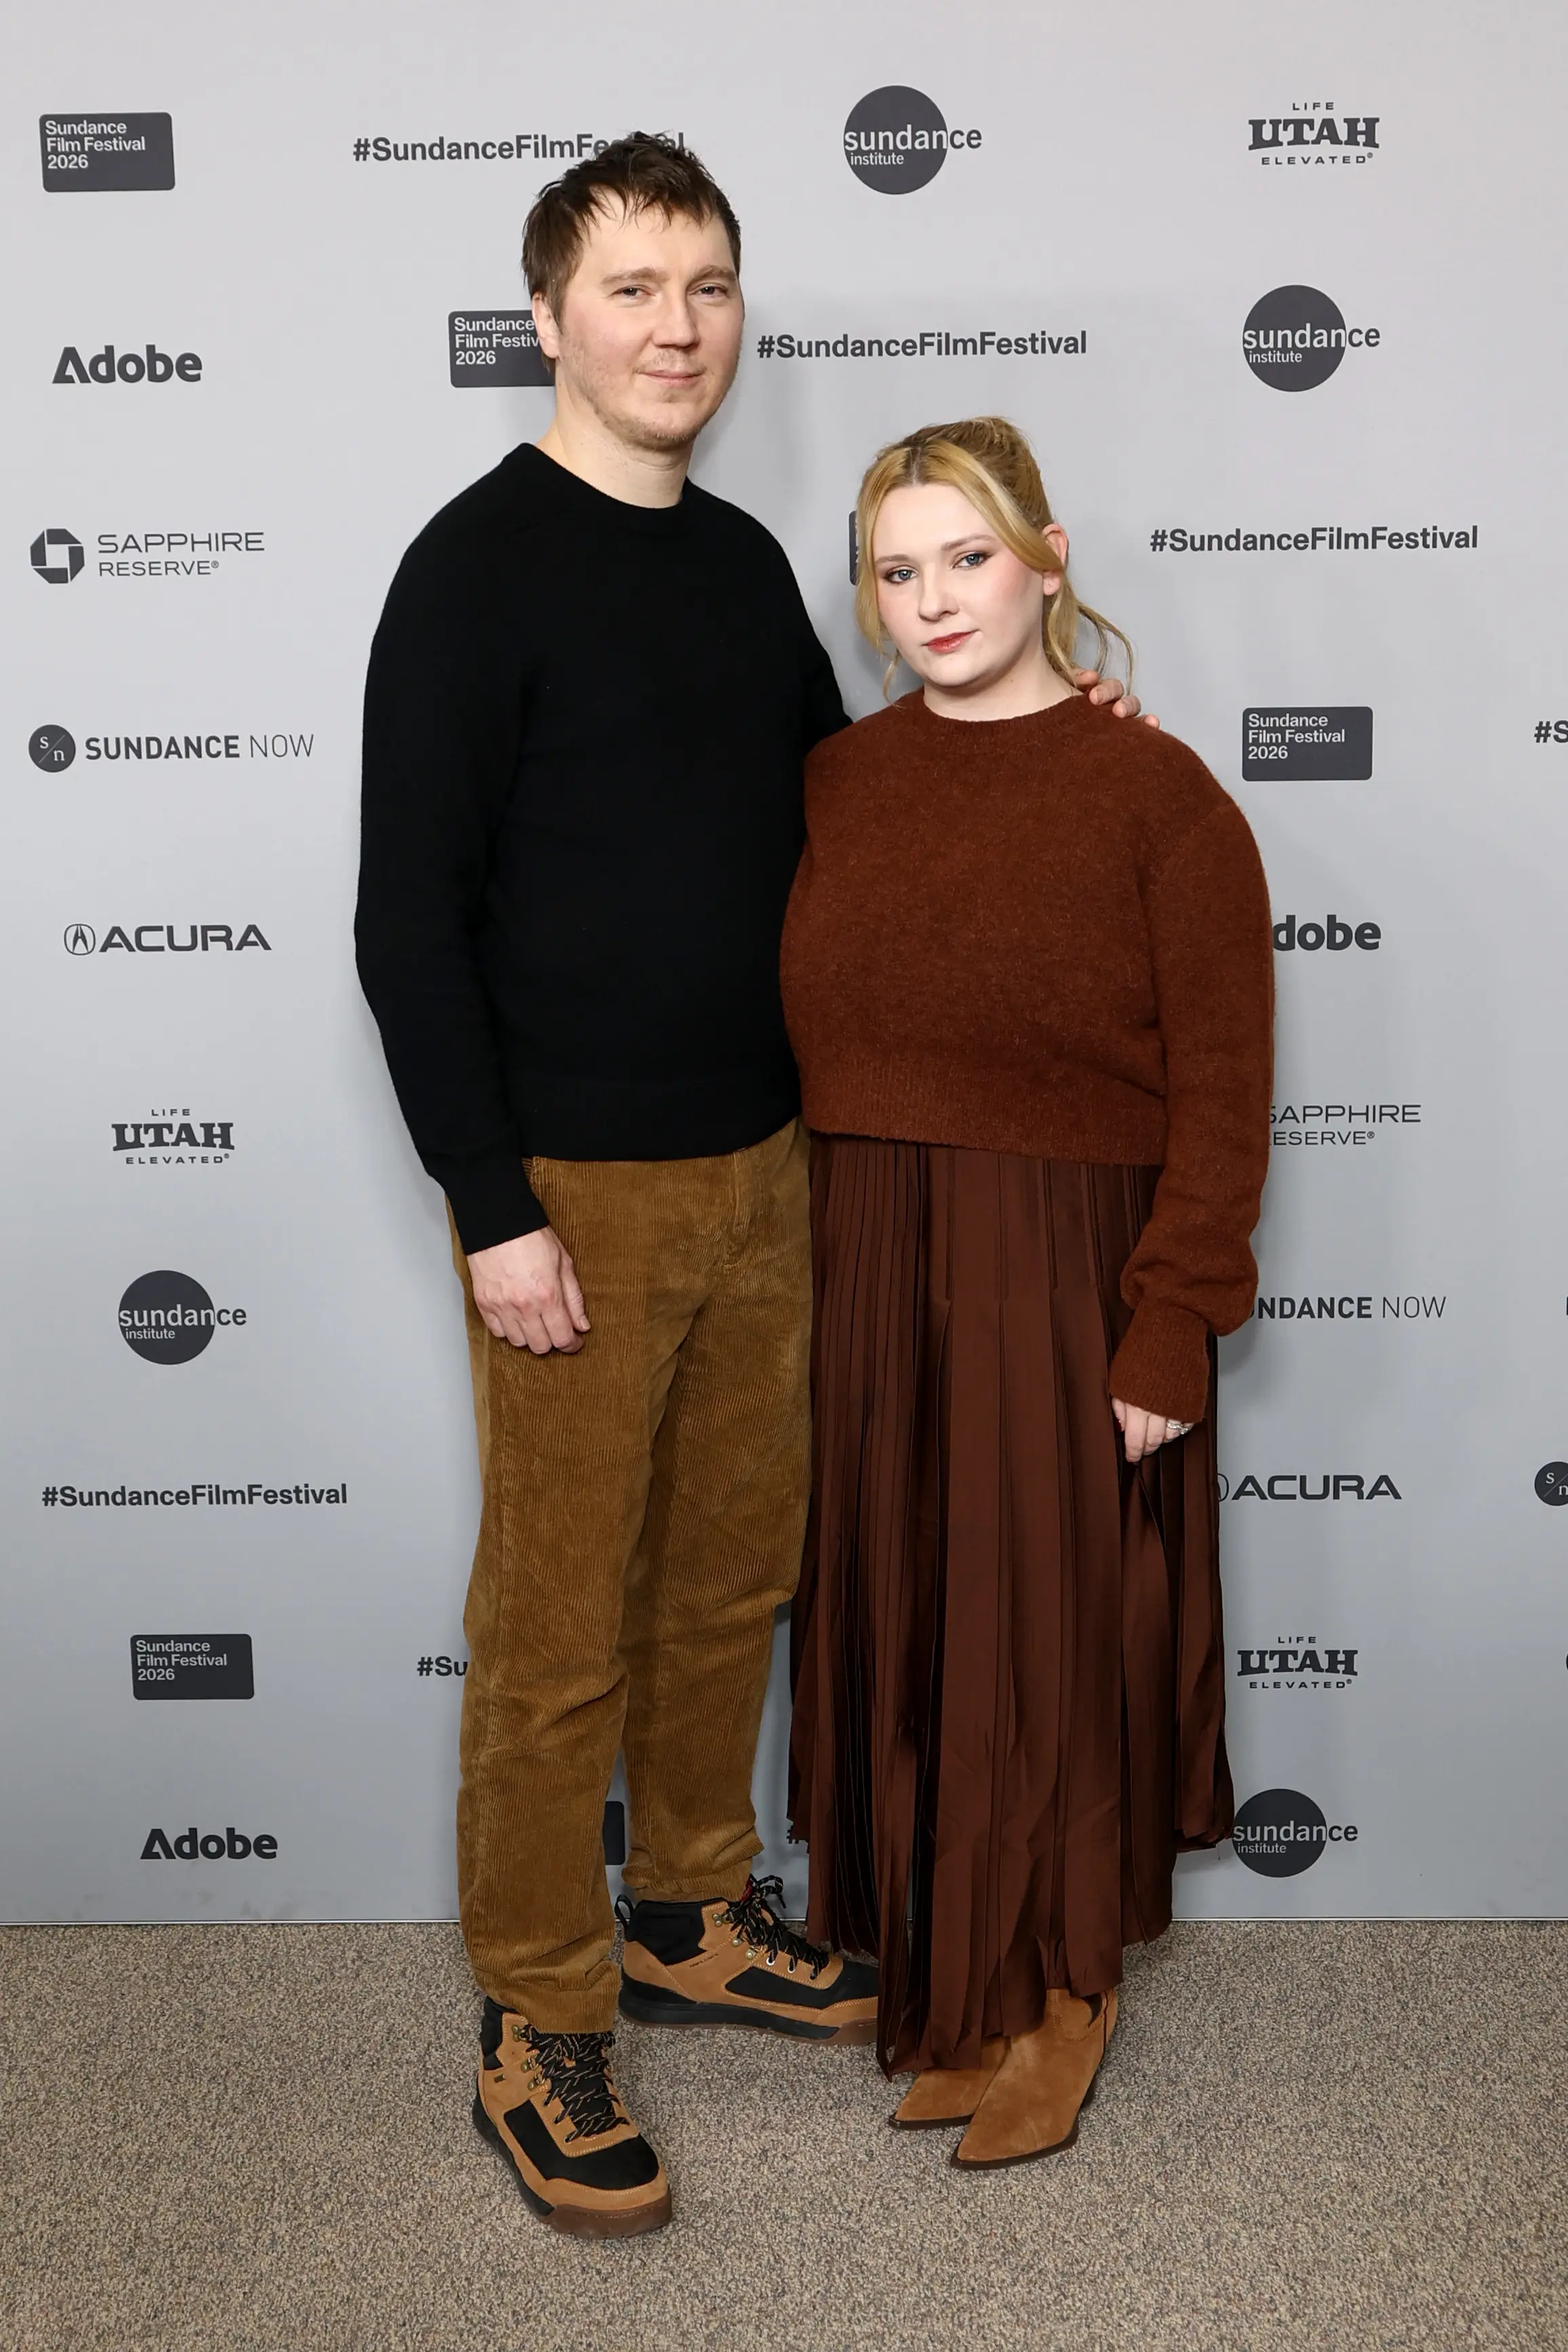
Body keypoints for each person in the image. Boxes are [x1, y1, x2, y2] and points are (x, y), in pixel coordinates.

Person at [357, 138, 1145, 2238]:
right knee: (553, 1623)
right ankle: (539, 2012)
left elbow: (866, 815)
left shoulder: (730, 567)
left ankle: (692, 1906)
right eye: (632, 286)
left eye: (707, 283)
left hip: (776, 1163)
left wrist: (1075, 722)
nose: (676, 324)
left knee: (730, 1580)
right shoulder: (468, 570)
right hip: (573, 1197)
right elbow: (405, 923)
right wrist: (489, 1200)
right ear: (550, 316)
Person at [781, 416, 1273, 2169]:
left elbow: (1225, 1086)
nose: (932, 600)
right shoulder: (840, 779)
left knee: (1053, 1635)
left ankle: (1070, 1987)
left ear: (1049, 557)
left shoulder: (1160, 796)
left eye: (967, 558)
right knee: (915, 1619)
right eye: (897, 572)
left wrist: (1173, 1316)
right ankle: (959, 1975)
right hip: (871, 1257)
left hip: (1067, 1270)